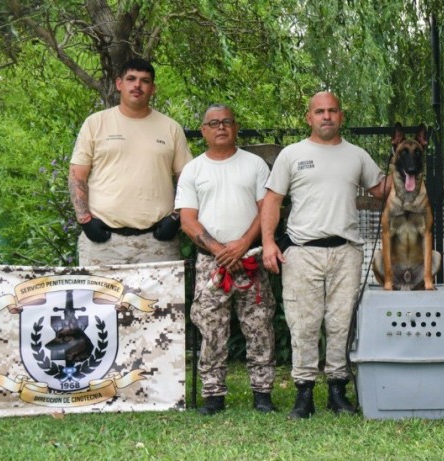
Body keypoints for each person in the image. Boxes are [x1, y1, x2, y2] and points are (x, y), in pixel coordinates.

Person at [261, 91, 389, 419]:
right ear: (309, 117)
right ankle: (304, 393)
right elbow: (273, 201)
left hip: (346, 251)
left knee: (340, 322)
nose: (327, 117)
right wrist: (269, 243)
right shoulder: (292, 155)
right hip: (302, 252)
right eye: (320, 112)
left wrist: (405, 164)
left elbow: (381, 190)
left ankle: (337, 390)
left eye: (332, 111)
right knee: (303, 323)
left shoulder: (357, 155)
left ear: (341, 116)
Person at [176, 104, 277, 415]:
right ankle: (213, 395)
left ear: (236, 128)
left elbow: (267, 210)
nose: (221, 127)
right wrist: (220, 249)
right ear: (204, 131)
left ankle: (262, 393)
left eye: (227, 122)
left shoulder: (255, 165)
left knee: (259, 326)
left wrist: (243, 243)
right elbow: (187, 219)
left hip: (250, 258)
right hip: (211, 262)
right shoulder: (194, 169)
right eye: (213, 123)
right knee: (210, 329)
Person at [68, 58, 192, 266]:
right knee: (102, 299)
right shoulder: (95, 123)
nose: (137, 85)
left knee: (158, 301)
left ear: (153, 88)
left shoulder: (171, 128)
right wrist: (85, 220)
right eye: (131, 79)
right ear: (119, 84)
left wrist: (176, 218)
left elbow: (188, 179)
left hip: (157, 243)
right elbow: (76, 175)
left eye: (144, 81)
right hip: (103, 243)